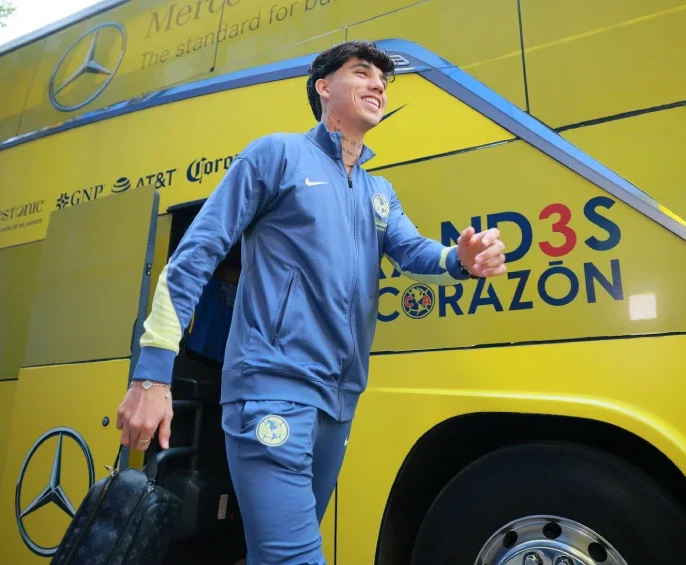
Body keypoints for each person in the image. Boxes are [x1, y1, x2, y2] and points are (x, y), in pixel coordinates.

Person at [115, 39, 508, 564]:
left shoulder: (379, 192)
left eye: (384, 80)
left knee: (274, 555)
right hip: (271, 390)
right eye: (362, 72)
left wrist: (460, 258)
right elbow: (194, 256)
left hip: (339, 402)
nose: (378, 84)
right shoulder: (276, 156)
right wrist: (152, 375)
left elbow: (415, 251)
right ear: (324, 87)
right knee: (294, 557)